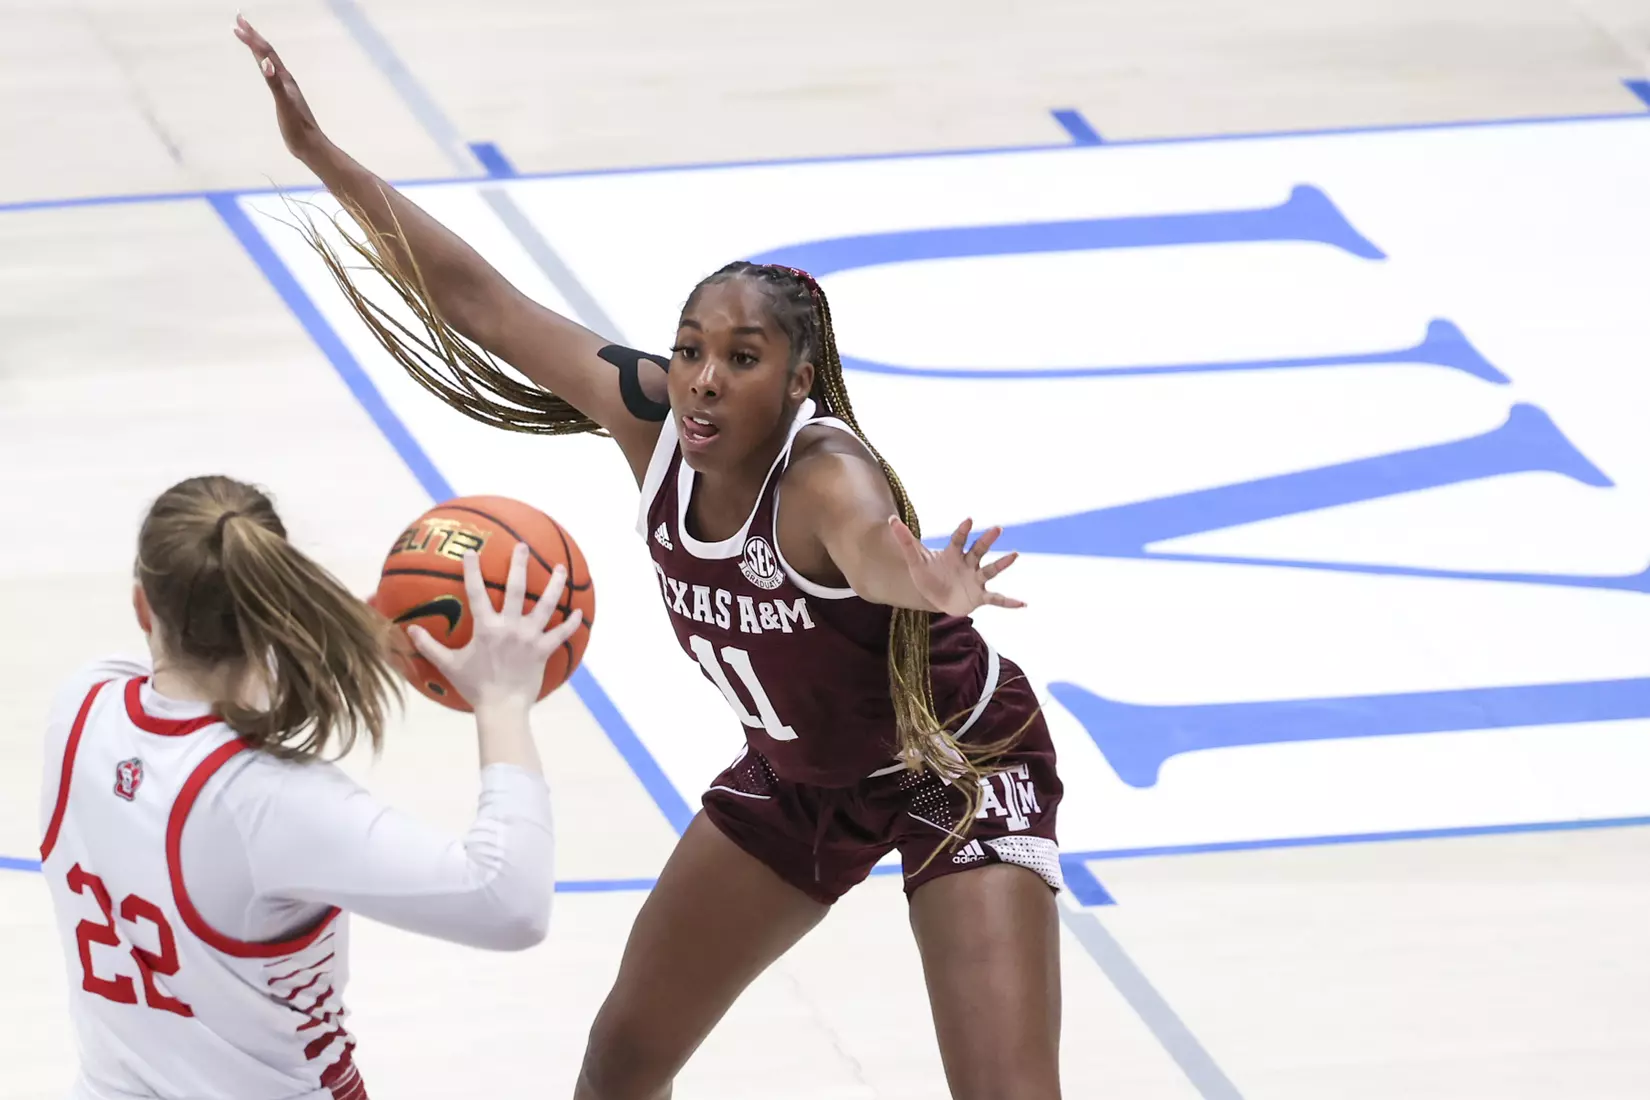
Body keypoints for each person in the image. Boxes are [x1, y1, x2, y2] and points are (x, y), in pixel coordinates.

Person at [237, 16, 1065, 1100]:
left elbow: (873, 554)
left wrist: (932, 583)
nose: (704, 378)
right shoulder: (654, 422)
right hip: (800, 775)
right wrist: (324, 159)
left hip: (955, 765)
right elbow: (484, 301)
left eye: (741, 357)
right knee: (623, 1059)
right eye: (689, 350)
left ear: (799, 381)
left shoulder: (825, 479)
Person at [39, 474, 582, 1100]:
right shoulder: (268, 804)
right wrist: (504, 703)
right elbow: (510, 904)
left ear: (141, 606)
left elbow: (195, 681)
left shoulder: (80, 708)